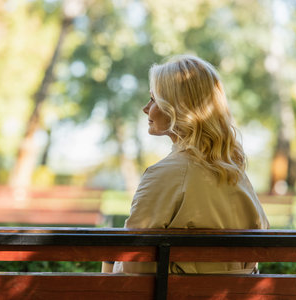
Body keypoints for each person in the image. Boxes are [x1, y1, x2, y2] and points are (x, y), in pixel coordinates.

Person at [102, 54, 269, 274]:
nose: (145, 108)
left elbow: (133, 267)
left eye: (153, 99)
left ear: (177, 108)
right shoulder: (235, 173)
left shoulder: (164, 174)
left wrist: (110, 263)